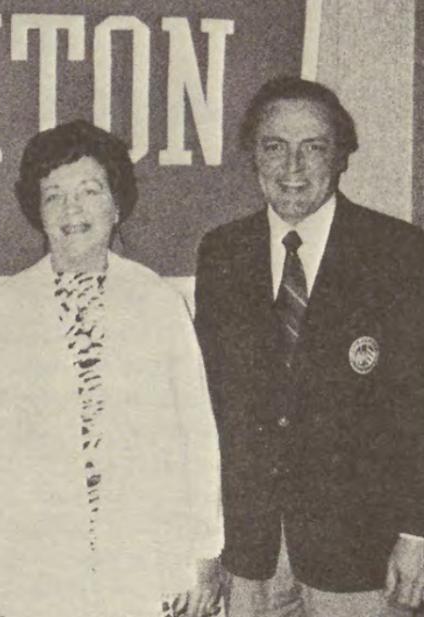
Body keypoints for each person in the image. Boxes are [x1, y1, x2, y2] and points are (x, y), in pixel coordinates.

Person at [0, 119, 223, 617]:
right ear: (37, 211)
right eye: (54, 195)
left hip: (141, 562)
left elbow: (196, 434)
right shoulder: (2, 312)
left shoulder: (159, 302)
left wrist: (204, 551)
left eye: (89, 191)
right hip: (30, 567)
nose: (72, 210)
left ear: (116, 205)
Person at [194, 76, 424, 616]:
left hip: (363, 554)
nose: (292, 168)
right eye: (275, 146)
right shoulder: (222, 253)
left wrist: (418, 533)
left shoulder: (400, 254)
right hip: (250, 555)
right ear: (253, 155)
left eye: (313, 147)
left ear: (340, 155)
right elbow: (211, 404)